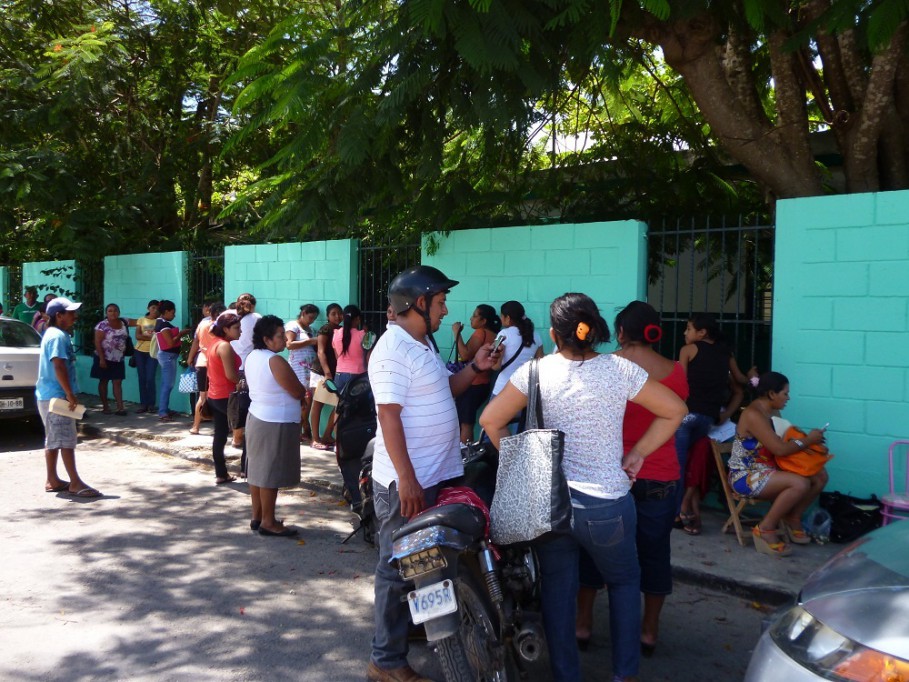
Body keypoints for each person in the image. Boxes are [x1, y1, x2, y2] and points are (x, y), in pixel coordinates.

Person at [479, 292, 687, 682]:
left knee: (559, 592)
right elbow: (675, 410)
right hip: (608, 505)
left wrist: (523, 463)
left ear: (556, 335)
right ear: (594, 330)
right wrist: (638, 453)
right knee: (625, 583)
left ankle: (566, 675)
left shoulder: (535, 373)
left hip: (552, 506)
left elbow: (491, 420)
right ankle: (624, 675)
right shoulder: (620, 370)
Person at [367, 266, 498, 682]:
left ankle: (418, 627)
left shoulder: (422, 343)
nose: (445, 310)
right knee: (395, 565)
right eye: (439, 303)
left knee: (429, 559)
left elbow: (449, 388)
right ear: (418, 303)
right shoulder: (391, 350)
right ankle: (385, 661)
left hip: (437, 474)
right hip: (409, 481)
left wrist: (475, 367)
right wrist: (406, 479)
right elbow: (388, 417)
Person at [575, 301, 689, 658]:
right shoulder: (676, 372)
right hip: (659, 474)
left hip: (611, 472)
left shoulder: (608, 368)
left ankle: (582, 624)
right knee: (655, 553)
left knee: (594, 549)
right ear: (655, 331)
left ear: (620, 332)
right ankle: (649, 631)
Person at [729, 371, 829, 556]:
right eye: (785, 393)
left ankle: (793, 517)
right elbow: (780, 450)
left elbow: (785, 441)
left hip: (770, 469)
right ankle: (765, 529)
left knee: (820, 475)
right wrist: (807, 441)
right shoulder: (753, 414)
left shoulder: (773, 411)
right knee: (799, 483)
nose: (788, 398)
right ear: (772, 394)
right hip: (746, 475)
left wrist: (809, 441)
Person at [675, 312, 753, 534]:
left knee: (678, 465)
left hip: (686, 416)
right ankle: (690, 507)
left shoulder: (688, 350)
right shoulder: (725, 354)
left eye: (688, 329)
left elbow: (681, 385)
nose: (685, 333)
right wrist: (726, 413)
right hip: (708, 419)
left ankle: (677, 512)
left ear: (702, 333)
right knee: (696, 458)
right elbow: (741, 382)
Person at [245, 315, 308, 536]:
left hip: (258, 417)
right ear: (267, 339)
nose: (284, 340)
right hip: (275, 421)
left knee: (257, 470)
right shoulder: (275, 361)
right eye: (280, 336)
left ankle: (258, 515)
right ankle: (268, 522)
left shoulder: (253, 356)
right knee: (269, 473)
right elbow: (298, 390)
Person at [36, 297, 101, 498]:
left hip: (47, 396)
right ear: (59, 316)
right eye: (71, 313)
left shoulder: (52, 333)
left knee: (54, 439)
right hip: (57, 397)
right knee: (66, 439)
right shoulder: (57, 336)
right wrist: (70, 394)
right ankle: (75, 482)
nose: (75, 316)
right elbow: (58, 365)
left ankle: (52, 479)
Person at [451, 304, 501, 443]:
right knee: (467, 422)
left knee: (465, 424)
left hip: (472, 384)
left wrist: (457, 333)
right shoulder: (494, 335)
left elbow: (466, 354)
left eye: (474, 316)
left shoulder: (480, 332)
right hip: (484, 384)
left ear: (483, 321)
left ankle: (465, 458)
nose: (471, 318)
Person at [205, 312, 242, 485]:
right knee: (249, 429)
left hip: (215, 395)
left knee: (220, 435)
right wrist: (244, 381)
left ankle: (221, 473)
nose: (240, 331)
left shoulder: (214, 343)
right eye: (236, 328)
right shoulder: (224, 346)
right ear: (226, 329)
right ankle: (246, 469)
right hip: (228, 397)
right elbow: (231, 375)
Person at [186, 302, 226, 435]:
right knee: (220, 395)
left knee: (202, 396)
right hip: (216, 363)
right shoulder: (220, 327)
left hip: (202, 362)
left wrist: (190, 357)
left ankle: (195, 426)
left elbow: (196, 342)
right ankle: (224, 426)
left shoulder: (202, 324)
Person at [491, 299, 543, 398]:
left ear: (508, 318)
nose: (501, 319)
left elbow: (495, 366)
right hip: (525, 392)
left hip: (503, 389)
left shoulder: (503, 334)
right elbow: (539, 365)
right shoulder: (536, 336)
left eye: (502, 316)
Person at [309, 302, 343, 450]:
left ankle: (327, 435)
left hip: (335, 374)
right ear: (328, 316)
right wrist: (328, 374)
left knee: (338, 406)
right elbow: (321, 352)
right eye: (334, 313)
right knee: (318, 405)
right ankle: (315, 439)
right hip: (322, 373)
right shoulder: (325, 330)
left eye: (339, 313)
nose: (337, 316)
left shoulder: (342, 330)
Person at [284, 304, 320, 441]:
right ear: (303, 313)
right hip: (298, 367)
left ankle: (305, 427)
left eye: (314, 318)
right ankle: (301, 428)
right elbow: (289, 344)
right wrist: (310, 341)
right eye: (310, 317)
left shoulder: (311, 329)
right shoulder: (293, 326)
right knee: (304, 398)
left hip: (310, 367)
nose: (312, 321)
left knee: (308, 398)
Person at [90, 303, 133, 416]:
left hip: (118, 358)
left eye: (115, 310)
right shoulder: (102, 325)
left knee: (117, 381)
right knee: (104, 381)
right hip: (104, 357)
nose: (113, 313)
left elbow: (141, 322)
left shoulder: (124, 322)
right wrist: (102, 359)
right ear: (106, 313)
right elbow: (97, 342)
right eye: (110, 311)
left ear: (119, 312)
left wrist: (154, 320)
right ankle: (105, 406)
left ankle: (120, 407)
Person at [230, 293, 261, 448]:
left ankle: (235, 435)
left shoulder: (229, 316)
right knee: (247, 402)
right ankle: (240, 436)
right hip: (248, 366)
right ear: (253, 305)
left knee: (234, 401)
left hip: (231, 365)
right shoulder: (256, 318)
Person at [154, 300, 191, 422]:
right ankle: (163, 412)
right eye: (172, 313)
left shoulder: (160, 322)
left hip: (167, 356)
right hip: (168, 356)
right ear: (166, 311)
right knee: (167, 385)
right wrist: (181, 334)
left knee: (167, 384)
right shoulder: (164, 325)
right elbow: (170, 343)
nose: (174, 315)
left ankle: (164, 409)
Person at [332, 304, 368, 392]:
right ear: (358, 319)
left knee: (340, 404)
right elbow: (368, 357)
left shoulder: (336, 334)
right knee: (357, 405)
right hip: (358, 375)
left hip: (339, 375)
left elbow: (337, 356)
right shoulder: (363, 335)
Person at [133, 300, 160, 414]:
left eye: (157, 308)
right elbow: (138, 336)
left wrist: (147, 337)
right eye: (152, 308)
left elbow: (159, 337)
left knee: (150, 378)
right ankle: (143, 404)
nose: (155, 310)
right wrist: (152, 338)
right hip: (139, 351)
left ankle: (151, 405)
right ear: (148, 308)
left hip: (153, 352)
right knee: (142, 378)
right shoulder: (141, 320)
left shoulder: (159, 321)